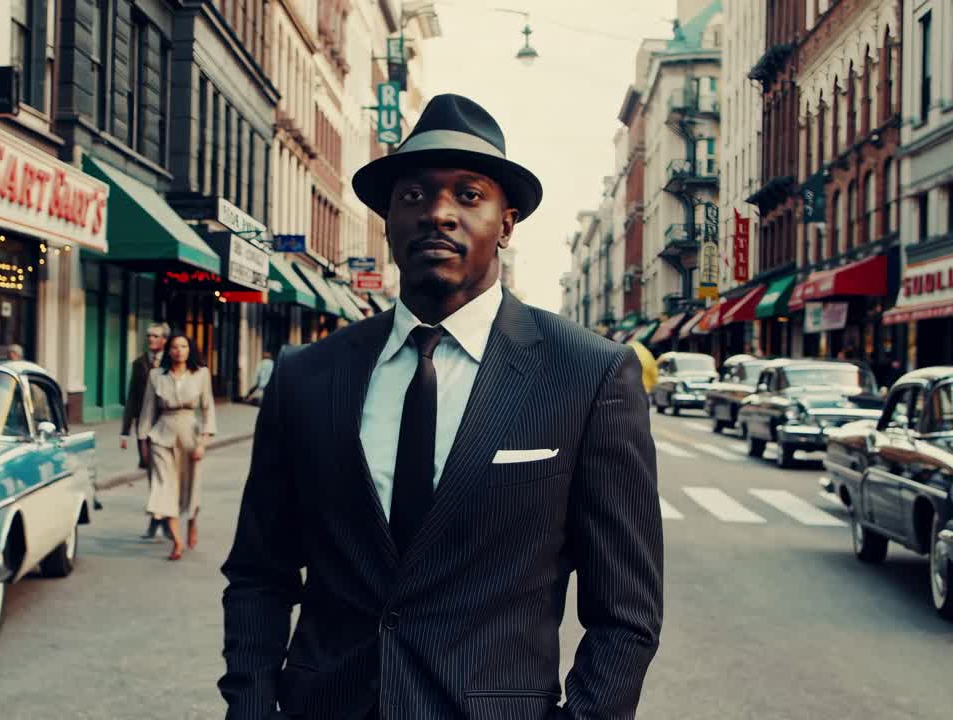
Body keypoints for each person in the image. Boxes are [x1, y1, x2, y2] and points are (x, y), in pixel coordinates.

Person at [219, 94, 662, 719]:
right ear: (388, 221)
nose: (438, 214)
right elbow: (259, 574)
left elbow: (627, 612)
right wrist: (250, 706)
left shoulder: (587, 374)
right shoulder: (308, 376)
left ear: (507, 224)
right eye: (414, 195)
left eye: (469, 195)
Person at [136, 332, 215, 561]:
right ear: (168, 351)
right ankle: (177, 542)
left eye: (183, 346)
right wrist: (143, 442)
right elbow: (147, 410)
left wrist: (204, 442)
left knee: (191, 487)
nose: (179, 350)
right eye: (174, 347)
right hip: (161, 435)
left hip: (190, 434)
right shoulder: (156, 376)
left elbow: (208, 408)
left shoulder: (201, 374)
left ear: (189, 350)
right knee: (164, 487)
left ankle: (192, 522)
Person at [122, 322, 170, 538]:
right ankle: (157, 519)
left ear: (164, 340)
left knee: (167, 476)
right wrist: (125, 431)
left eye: (156, 336)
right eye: (149, 335)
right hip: (146, 428)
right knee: (153, 474)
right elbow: (132, 398)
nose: (151, 339)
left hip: (168, 427)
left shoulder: (173, 362)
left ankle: (165, 519)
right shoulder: (139, 364)